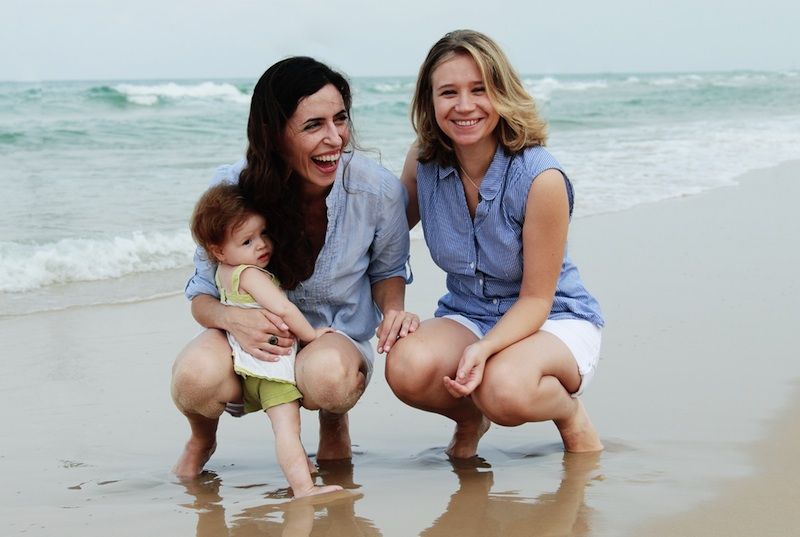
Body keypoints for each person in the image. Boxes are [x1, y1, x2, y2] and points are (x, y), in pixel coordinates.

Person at [172, 56, 417, 478]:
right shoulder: (231, 190)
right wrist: (234, 318)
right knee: (193, 379)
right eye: (313, 125)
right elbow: (201, 297)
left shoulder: (377, 191)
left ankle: (333, 420)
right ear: (274, 134)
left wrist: (393, 311)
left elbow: (387, 271)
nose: (335, 137)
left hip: (333, 333)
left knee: (328, 379)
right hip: (248, 341)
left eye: (340, 119)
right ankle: (202, 436)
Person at [386, 30, 604, 459]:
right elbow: (385, 240)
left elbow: (537, 299)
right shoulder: (424, 160)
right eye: (448, 92)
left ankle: (569, 415)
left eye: (479, 90)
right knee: (406, 366)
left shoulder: (541, 178)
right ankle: (470, 419)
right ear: (429, 102)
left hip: (552, 318)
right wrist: (392, 306)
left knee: (502, 390)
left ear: (502, 93)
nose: (464, 106)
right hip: (469, 312)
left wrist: (484, 350)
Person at [189, 182, 341, 497]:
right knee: (287, 429)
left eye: (262, 234)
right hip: (271, 368)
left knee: (286, 430)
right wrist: (311, 335)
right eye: (247, 241)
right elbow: (284, 309)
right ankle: (303, 488)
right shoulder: (252, 275)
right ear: (217, 250)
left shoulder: (223, 274)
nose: (261, 245)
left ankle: (183, 475)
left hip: (246, 369)